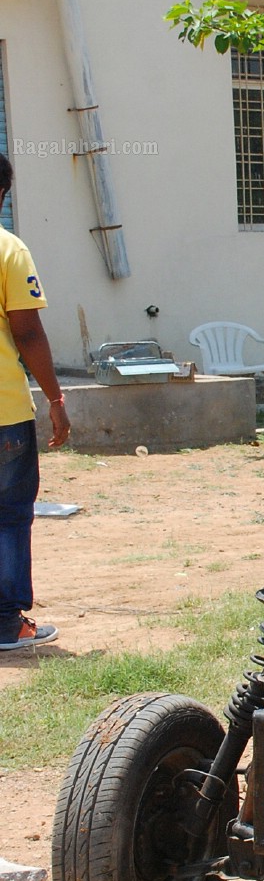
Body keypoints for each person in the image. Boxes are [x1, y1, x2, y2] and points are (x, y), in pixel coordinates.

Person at [0, 152, 69, 650]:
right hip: (3, 414)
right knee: (8, 514)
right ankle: (6, 623)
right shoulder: (9, 250)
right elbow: (26, 331)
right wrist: (56, 398)